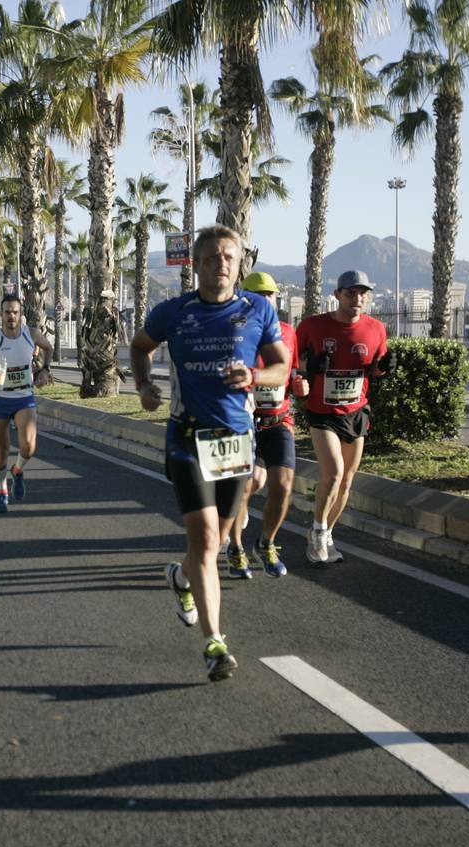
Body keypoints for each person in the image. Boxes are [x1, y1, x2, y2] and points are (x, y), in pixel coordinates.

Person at [129, 226, 289, 682]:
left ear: (240, 264)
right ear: (196, 264)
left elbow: (280, 366)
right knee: (202, 538)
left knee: (216, 542)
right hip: (186, 436)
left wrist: (254, 378)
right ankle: (216, 643)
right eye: (213, 257)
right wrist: (142, 385)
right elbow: (140, 348)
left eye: (230, 257)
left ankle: (180, 579)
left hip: (234, 439)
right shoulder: (173, 313)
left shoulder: (256, 309)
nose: (222, 264)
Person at [296, 270, 394, 564]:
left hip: (356, 410)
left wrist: (386, 366)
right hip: (322, 412)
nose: (358, 298)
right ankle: (316, 531)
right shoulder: (313, 326)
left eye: (363, 293)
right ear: (337, 295)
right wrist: (309, 364)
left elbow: (376, 369)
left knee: (348, 480)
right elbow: (291, 360)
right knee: (334, 473)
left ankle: (326, 533)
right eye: (351, 293)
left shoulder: (376, 328)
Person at [225, 271, 308, 578]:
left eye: (270, 295)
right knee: (242, 490)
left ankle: (267, 542)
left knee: (283, 487)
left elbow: (292, 371)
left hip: (279, 419)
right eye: (257, 295)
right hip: (241, 423)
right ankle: (236, 548)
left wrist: (300, 383)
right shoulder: (232, 331)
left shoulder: (287, 331)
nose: (265, 300)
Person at [0, 294, 54, 514]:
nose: (11, 316)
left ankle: (17, 471)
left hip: (24, 396)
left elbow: (49, 348)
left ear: (21, 313)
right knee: (2, 451)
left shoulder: (31, 334)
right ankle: (1, 490)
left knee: (29, 446)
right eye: (7, 312)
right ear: (1, 314)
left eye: (15, 312)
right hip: (0, 399)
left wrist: (45, 370)